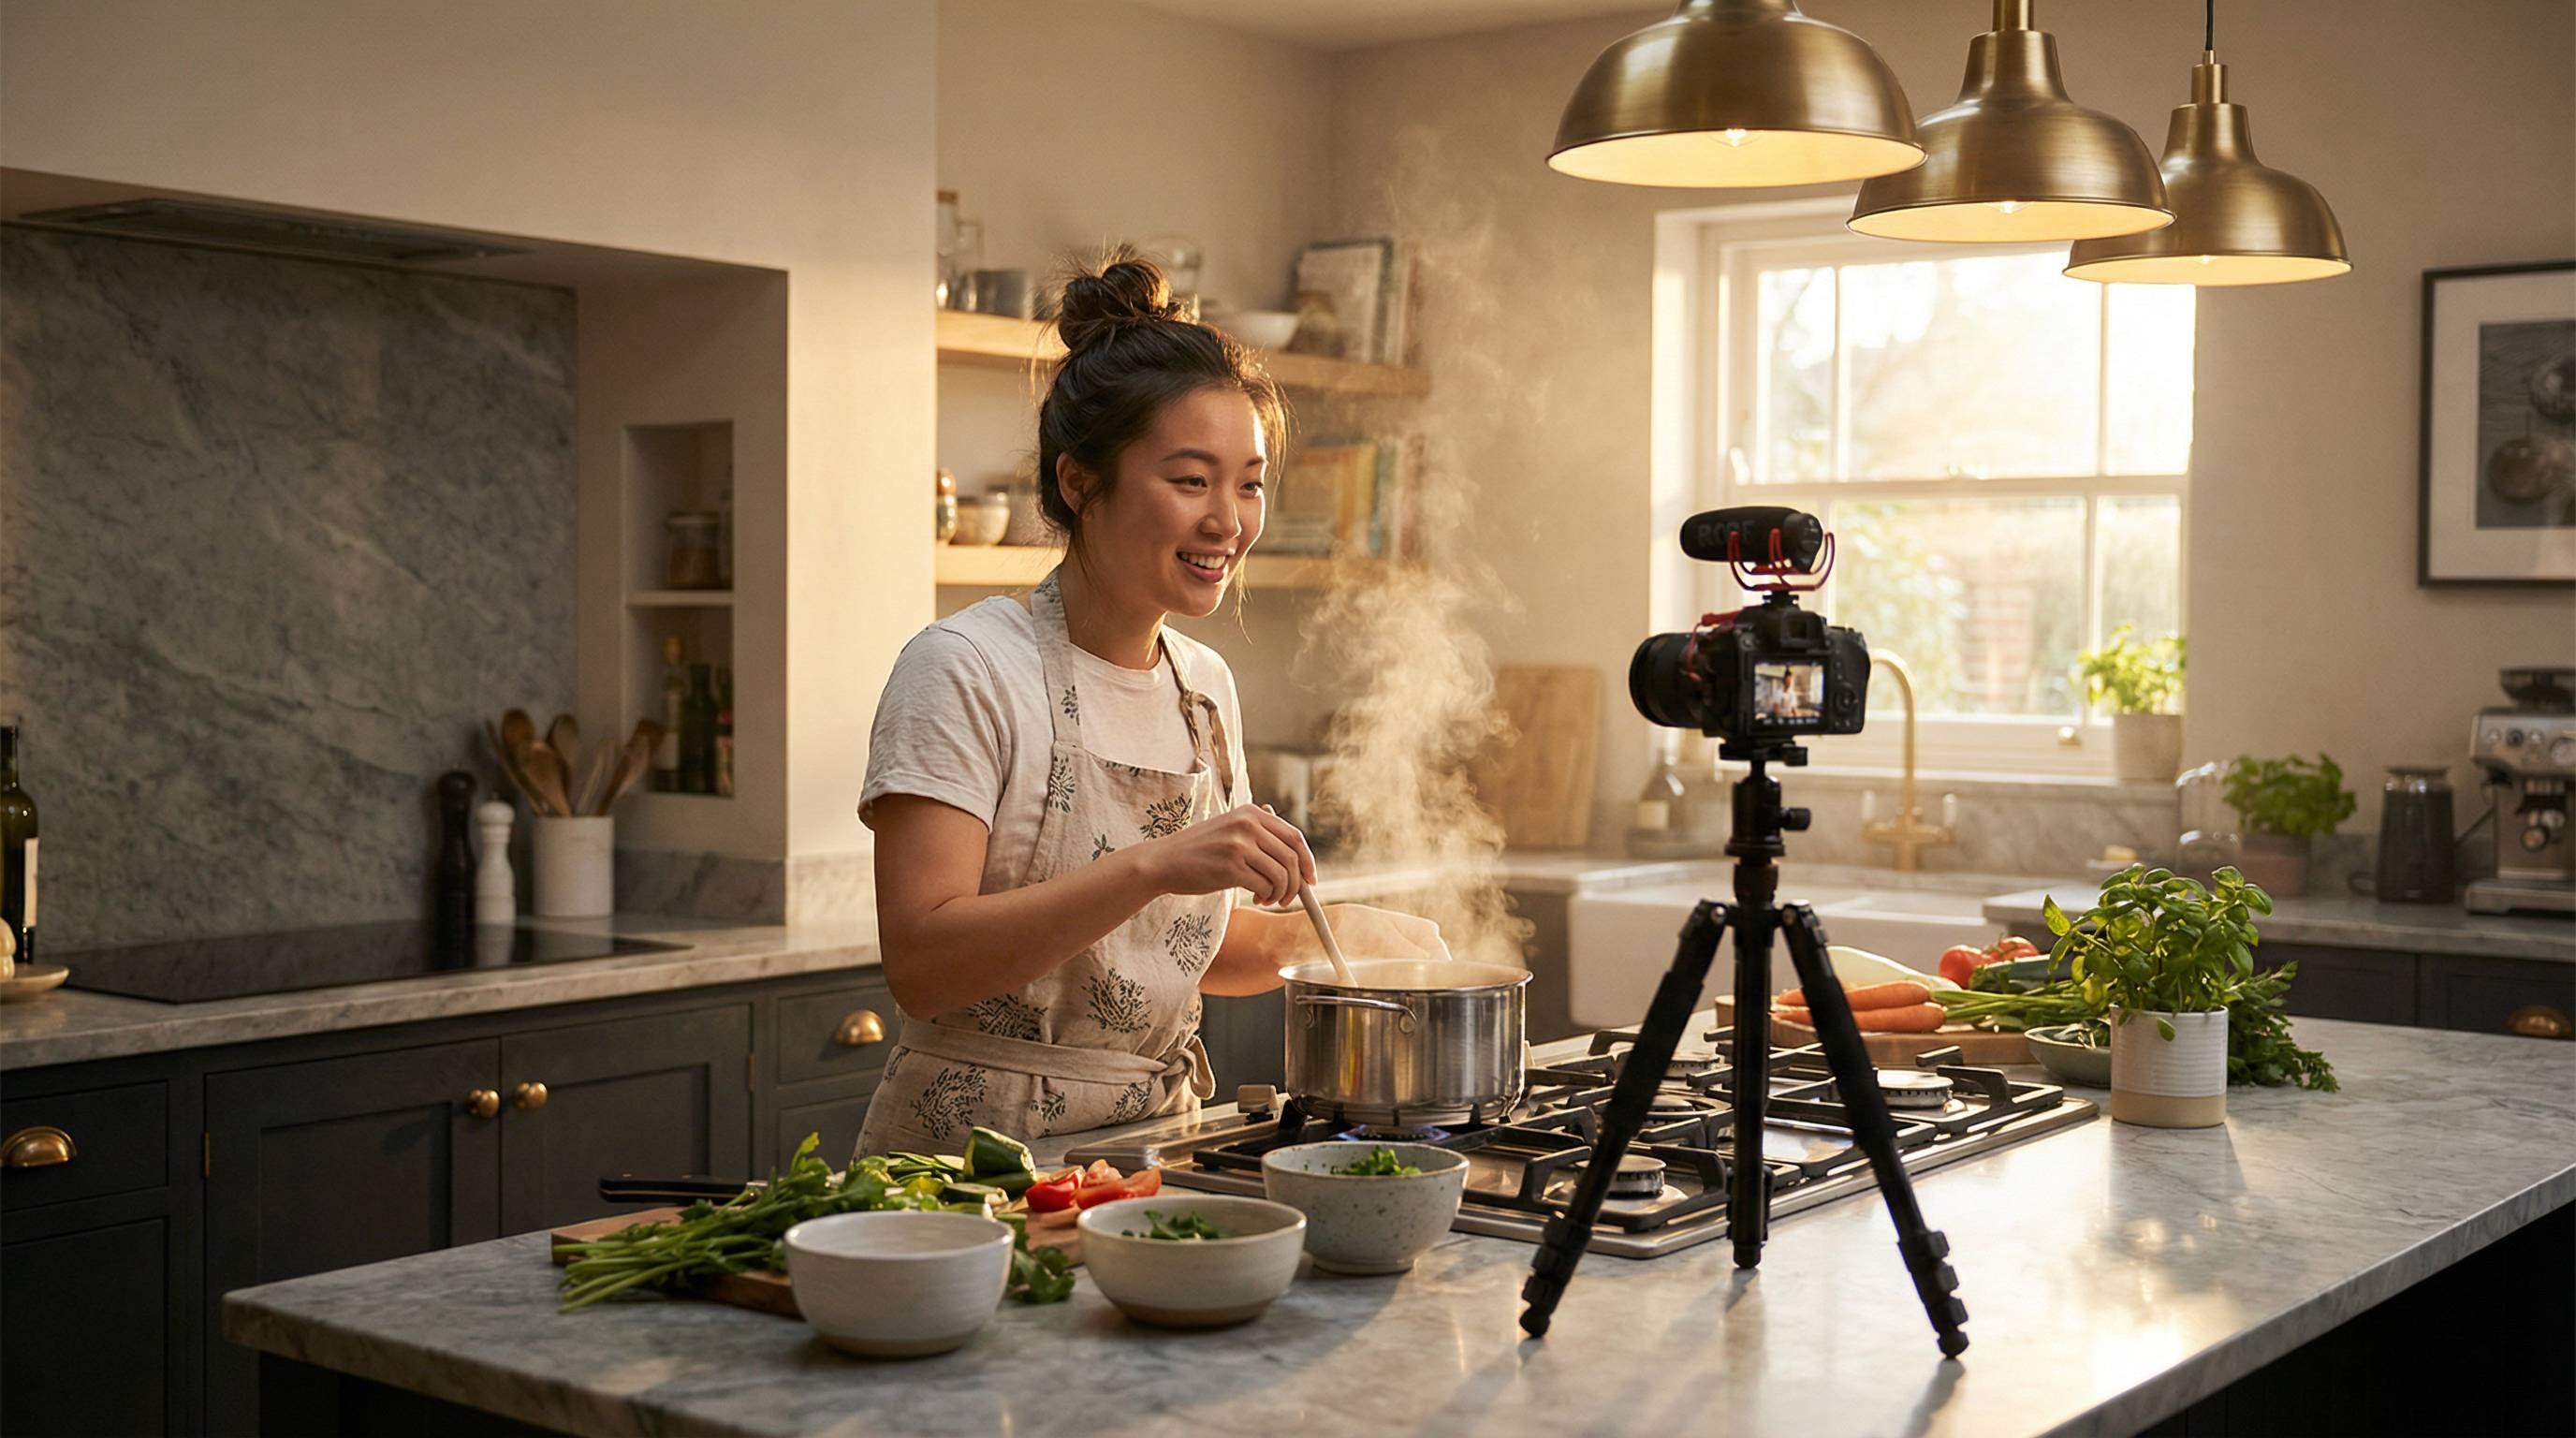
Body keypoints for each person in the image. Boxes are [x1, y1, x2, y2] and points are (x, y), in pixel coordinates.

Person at [855, 252, 1449, 1156]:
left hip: (1154, 1152)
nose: (1229, 522)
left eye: (1249, 482)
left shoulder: (1202, 688)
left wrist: (1329, 939)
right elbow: (923, 966)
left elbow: (1170, 951)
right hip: (972, 1166)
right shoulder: (964, 669)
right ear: (1078, 482)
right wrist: (1157, 864)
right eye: (1190, 480)